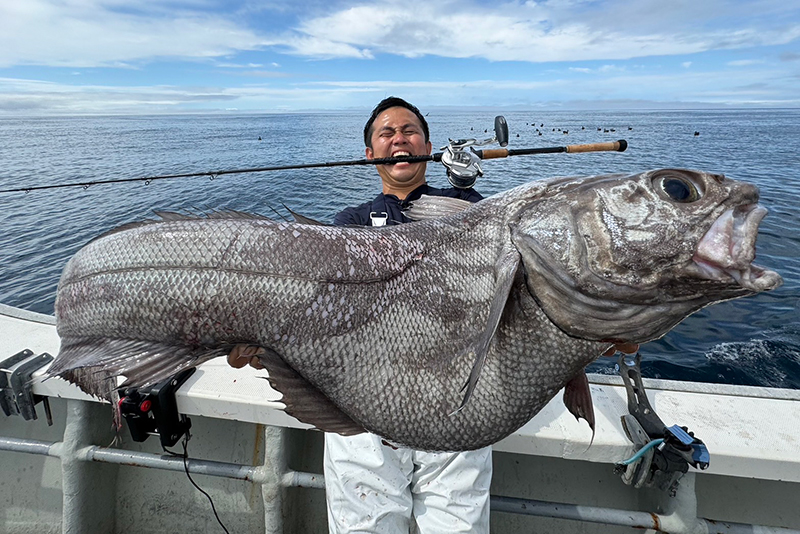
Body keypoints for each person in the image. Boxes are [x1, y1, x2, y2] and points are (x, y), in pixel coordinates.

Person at [228, 97, 639, 533]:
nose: (398, 139)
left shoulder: (475, 211)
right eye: (386, 134)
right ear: (371, 154)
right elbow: (322, 310)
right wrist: (262, 342)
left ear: (426, 143)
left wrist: (608, 327)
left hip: (461, 405)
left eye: (409, 131)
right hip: (363, 408)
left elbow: (524, 299)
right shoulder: (347, 222)